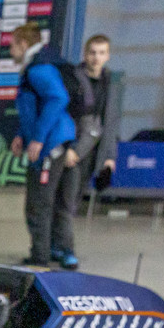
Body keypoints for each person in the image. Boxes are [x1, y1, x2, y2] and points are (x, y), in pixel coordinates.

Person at [9, 23, 77, 268]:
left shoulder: (38, 69)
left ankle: (40, 257)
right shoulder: (38, 66)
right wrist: (22, 135)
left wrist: (37, 138)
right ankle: (52, 250)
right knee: (48, 202)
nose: (10, 50)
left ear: (23, 44)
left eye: (12, 45)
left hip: (50, 145)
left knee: (39, 203)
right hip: (53, 141)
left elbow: (58, 98)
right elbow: (32, 107)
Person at [55, 34, 125, 267]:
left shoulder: (112, 83)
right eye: (92, 52)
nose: (96, 57)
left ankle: (58, 243)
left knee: (73, 200)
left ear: (108, 55)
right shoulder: (73, 79)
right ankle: (66, 248)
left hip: (94, 152)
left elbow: (112, 122)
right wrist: (70, 148)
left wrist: (109, 157)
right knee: (66, 201)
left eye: (101, 53)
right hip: (73, 149)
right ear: (85, 54)